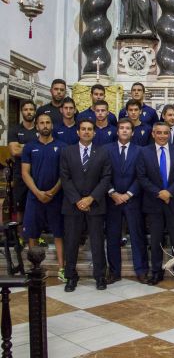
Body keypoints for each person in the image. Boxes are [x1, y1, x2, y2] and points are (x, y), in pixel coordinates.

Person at [60, 119, 112, 292]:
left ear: (94, 133)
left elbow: (106, 178)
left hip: (95, 205)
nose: (86, 132)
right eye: (83, 129)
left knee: (97, 243)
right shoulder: (67, 152)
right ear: (78, 132)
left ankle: (100, 276)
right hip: (72, 205)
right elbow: (65, 178)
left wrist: (90, 198)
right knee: (71, 243)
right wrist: (78, 200)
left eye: (90, 129)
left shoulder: (103, 152)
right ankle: (71, 277)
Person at [137, 122, 174, 285]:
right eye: (159, 133)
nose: (162, 136)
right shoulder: (144, 152)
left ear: (169, 134)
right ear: (153, 134)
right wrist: (159, 193)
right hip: (154, 203)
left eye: (165, 133)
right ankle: (156, 272)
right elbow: (142, 177)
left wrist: (169, 192)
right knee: (156, 240)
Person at [21, 114, 67, 282]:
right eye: (42, 123)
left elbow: (65, 173)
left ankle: (63, 268)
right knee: (32, 234)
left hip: (56, 198)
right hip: (35, 198)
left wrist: (53, 192)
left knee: (59, 234)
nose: (45, 125)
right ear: (37, 126)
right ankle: (34, 270)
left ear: (52, 126)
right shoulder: (29, 147)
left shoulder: (62, 146)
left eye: (48, 122)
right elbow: (25, 173)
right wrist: (38, 192)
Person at [106, 118, 148, 283]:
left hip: (133, 200)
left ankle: (141, 270)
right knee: (112, 236)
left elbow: (141, 176)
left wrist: (129, 194)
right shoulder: (107, 150)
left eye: (127, 128)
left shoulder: (140, 151)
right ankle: (114, 272)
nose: (124, 131)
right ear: (117, 131)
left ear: (132, 132)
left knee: (137, 236)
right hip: (112, 200)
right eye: (121, 128)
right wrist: (112, 192)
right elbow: (103, 174)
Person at [8, 100, 38, 222]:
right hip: (19, 174)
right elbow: (14, 151)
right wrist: (34, 148)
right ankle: (21, 238)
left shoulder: (40, 129)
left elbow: (43, 150)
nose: (29, 112)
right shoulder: (14, 130)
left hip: (37, 173)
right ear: (22, 112)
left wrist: (23, 146)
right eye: (26, 109)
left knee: (37, 206)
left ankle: (36, 237)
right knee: (20, 207)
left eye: (31, 109)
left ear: (35, 111)